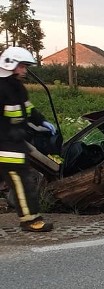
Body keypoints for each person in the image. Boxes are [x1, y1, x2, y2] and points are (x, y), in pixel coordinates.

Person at [0, 47, 57, 232]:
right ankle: (31, 220)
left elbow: (28, 109)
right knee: (22, 183)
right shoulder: (1, 88)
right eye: (22, 66)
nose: (25, 70)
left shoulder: (16, 86)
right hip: (6, 146)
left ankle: (30, 219)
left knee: (22, 182)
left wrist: (42, 121)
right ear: (10, 64)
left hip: (14, 143)